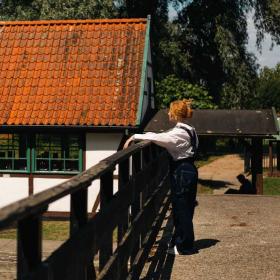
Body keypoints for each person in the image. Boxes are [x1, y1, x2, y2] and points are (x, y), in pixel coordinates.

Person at [123, 99, 199, 255]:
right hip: (189, 169)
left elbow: (159, 138)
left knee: (182, 208)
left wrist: (135, 136)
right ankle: (182, 243)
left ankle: (185, 246)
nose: (168, 113)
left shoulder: (178, 133)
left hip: (182, 170)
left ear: (175, 114)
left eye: (170, 111)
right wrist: (141, 136)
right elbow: (162, 136)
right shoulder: (190, 129)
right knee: (186, 207)